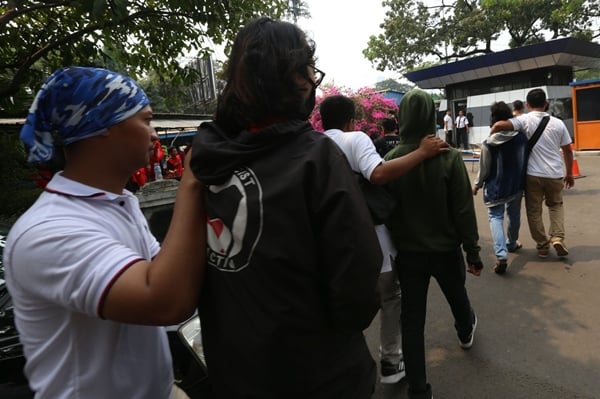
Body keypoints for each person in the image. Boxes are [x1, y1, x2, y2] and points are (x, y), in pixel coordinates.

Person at [188, 18, 382, 399]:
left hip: (237, 373)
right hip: (316, 375)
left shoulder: (207, 160)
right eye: (310, 72)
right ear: (292, 78)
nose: (314, 82)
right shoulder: (315, 158)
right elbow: (356, 275)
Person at [4, 66, 206, 399]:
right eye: (144, 120)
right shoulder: (48, 231)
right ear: (103, 127)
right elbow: (165, 300)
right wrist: (192, 185)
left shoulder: (119, 203)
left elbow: (174, 274)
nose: (154, 134)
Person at [319, 95, 448, 385]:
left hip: (328, 247)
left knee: (341, 305)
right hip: (369, 242)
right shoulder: (355, 140)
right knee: (390, 298)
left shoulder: (312, 146)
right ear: (351, 120)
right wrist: (422, 153)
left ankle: (342, 368)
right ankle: (391, 361)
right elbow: (377, 174)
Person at [384, 89, 483, 399]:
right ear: (431, 116)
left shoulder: (389, 161)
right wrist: (473, 251)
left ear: (403, 118)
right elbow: (463, 210)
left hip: (409, 255)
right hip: (446, 251)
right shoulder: (450, 156)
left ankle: (418, 389)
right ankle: (465, 331)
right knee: (457, 296)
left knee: (412, 322)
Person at [491, 88, 574, 258]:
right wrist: (569, 173)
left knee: (534, 211)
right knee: (556, 206)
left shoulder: (523, 120)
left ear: (527, 105)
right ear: (545, 104)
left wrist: (491, 142)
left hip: (532, 175)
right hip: (555, 174)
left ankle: (542, 245)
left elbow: (499, 125)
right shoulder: (558, 123)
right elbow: (567, 150)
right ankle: (557, 237)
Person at [473, 101, 527, 274]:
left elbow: (484, 169)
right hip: (516, 185)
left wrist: (477, 185)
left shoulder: (488, 143)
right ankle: (512, 243)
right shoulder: (521, 137)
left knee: (495, 218)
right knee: (514, 214)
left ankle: (501, 254)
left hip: (496, 188)